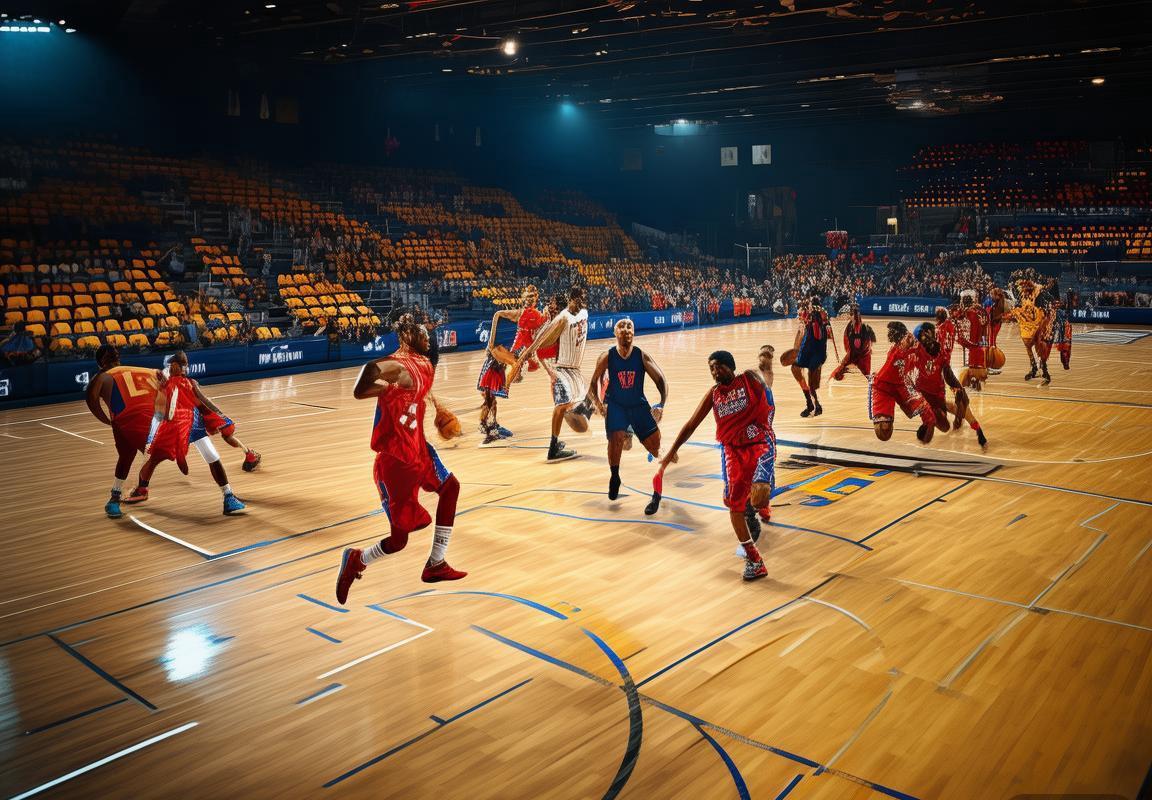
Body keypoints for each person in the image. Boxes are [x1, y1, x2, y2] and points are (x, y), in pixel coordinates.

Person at [335, 316, 467, 605]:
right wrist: (386, 386)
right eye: (422, 332)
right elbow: (371, 371)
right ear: (407, 336)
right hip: (395, 462)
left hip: (419, 450)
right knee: (398, 541)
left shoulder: (421, 363)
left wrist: (434, 405)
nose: (427, 336)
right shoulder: (402, 365)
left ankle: (436, 563)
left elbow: (412, 388)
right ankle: (357, 559)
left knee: (451, 488)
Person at [656, 351, 774, 582]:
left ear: (731, 366)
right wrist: (671, 452)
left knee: (760, 495)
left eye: (719, 366)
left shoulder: (748, 378)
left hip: (758, 444)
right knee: (733, 505)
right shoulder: (714, 394)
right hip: (732, 451)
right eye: (711, 368)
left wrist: (766, 367)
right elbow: (691, 424)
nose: (715, 371)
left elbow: (767, 391)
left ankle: (761, 502)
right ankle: (755, 560)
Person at [585, 318, 669, 500]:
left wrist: (661, 404)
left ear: (634, 332)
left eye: (629, 326)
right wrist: (598, 404)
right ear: (615, 333)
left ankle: (662, 468)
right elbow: (592, 383)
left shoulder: (641, 355)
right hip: (616, 405)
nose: (626, 329)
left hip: (638, 404)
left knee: (655, 448)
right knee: (616, 440)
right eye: (621, 326)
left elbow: (661, 380)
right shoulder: (607, 356)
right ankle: (614, 477)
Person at [509, 286, 589, 463]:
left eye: (552, 304)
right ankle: (553, 448)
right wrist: (542, 367)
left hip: (567, 370)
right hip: (558, 370)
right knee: (562, 406)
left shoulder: (574, 317)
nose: (549, 306)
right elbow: (538, 347)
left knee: (571, 406)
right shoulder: (556, 322)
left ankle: (560, 437)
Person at [85, 345, 160, 518]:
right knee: (144, 455)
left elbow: (91, 400)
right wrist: (107, 420)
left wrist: (107, 420)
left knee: (132, 456)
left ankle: (121, 495)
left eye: (115, 354)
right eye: (111, 355)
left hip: (129, 421)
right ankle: (131, 492)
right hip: (127, 422)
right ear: (102, 361)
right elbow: (91, 399)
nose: (114, 356)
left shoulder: (109, 375)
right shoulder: (107, 375)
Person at [914, 322, 987, 448]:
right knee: (945, 423)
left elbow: (951, 379)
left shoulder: (941, 353)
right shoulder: (917, 348)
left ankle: (972, 425)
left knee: (948, 422)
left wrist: (978, 429)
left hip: (936, 392)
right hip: (924, 393)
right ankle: (931, 420)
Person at [871, 321, 937, 444]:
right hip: (884, 385)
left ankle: (925, 436)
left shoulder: (911, 343)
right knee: (883, 432)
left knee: (930, 417)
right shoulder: (897, 347)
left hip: (902, 385)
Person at [475, 307, 520, 445]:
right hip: (492, 369)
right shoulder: (497, 343)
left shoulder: (504, 339)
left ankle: (488, 425)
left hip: (494, 368)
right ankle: (490, 430)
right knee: (490, 401)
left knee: (490, 400)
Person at [791, 295, 833, 416]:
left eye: (810, 305)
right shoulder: (813, 318)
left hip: (815, 353)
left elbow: (823, 336)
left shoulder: (819, 320)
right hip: (811, 352)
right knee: (796, 369)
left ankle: (815, 404)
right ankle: (811, 403)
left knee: (811, 382)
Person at [1005, 280, 1051, 385]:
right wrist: (1016, 312)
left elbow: (1039, 312)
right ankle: (1034, 368)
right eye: (1023, 290)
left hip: (1038, 325)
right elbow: (1021, 308)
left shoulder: (1038, 296)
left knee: (1039, 349)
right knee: (1028, 347)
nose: (1023, 292)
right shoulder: (1023, 296)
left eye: (1025, 290)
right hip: (1027, 326)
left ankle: (1045, 371)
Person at [830, 303, 874, 381]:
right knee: (866, 374)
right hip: (856, 353)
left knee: (866, 374)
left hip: (860, 353)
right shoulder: (852, 325)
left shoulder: (858, 325)